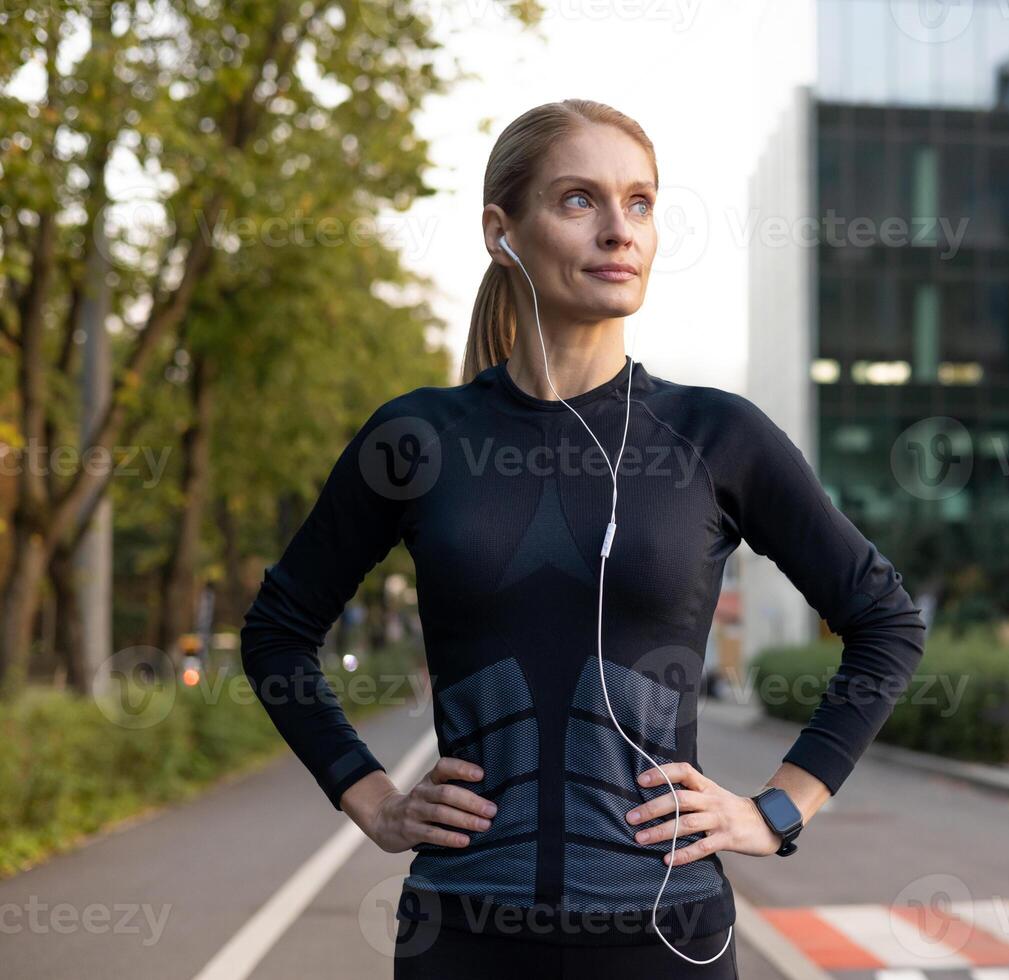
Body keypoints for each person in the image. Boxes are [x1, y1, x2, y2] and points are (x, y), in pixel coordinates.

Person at [239, 99, 928, 979]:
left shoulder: (716, 436)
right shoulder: (417, 439)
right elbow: (277, 631)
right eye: (578, 201)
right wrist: (369, 797)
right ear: (503, 231)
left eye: (639, 202)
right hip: (462, 936)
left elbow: (886, 620)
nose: (619, 230)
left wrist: (779, 810)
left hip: (668, 937)